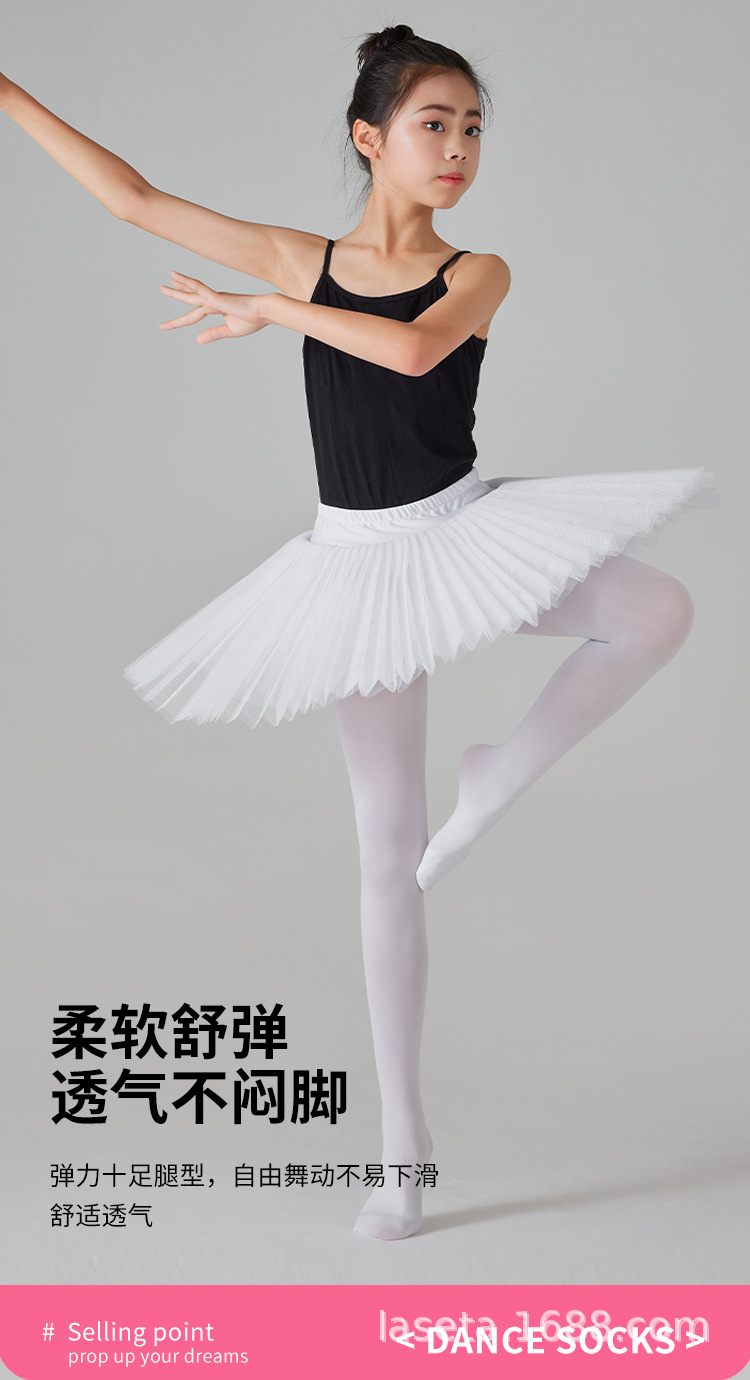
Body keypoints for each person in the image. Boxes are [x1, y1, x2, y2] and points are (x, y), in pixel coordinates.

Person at [1, 24, 716, 1242]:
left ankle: (495, 777)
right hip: (357, 565)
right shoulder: (306, 255)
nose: (459, 147)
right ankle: (403, 1148)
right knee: (386, 850)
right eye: (434, 124)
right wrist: (10, 91)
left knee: (655, 608)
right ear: (369, 138)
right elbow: (133, 201)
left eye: (473, 127)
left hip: (465, 528)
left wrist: (274, 310)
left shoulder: (478, 271)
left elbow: (414, 347)